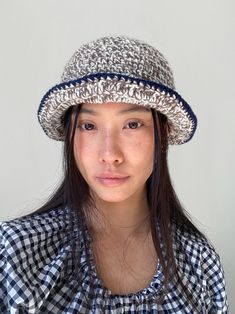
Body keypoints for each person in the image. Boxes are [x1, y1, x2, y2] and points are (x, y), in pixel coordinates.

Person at [0, 36, 228, 313]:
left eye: (132, 124)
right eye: (88, 126)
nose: (109, 154)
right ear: (70, 136)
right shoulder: (15, 254)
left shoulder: (199, 263)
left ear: (163, 135)